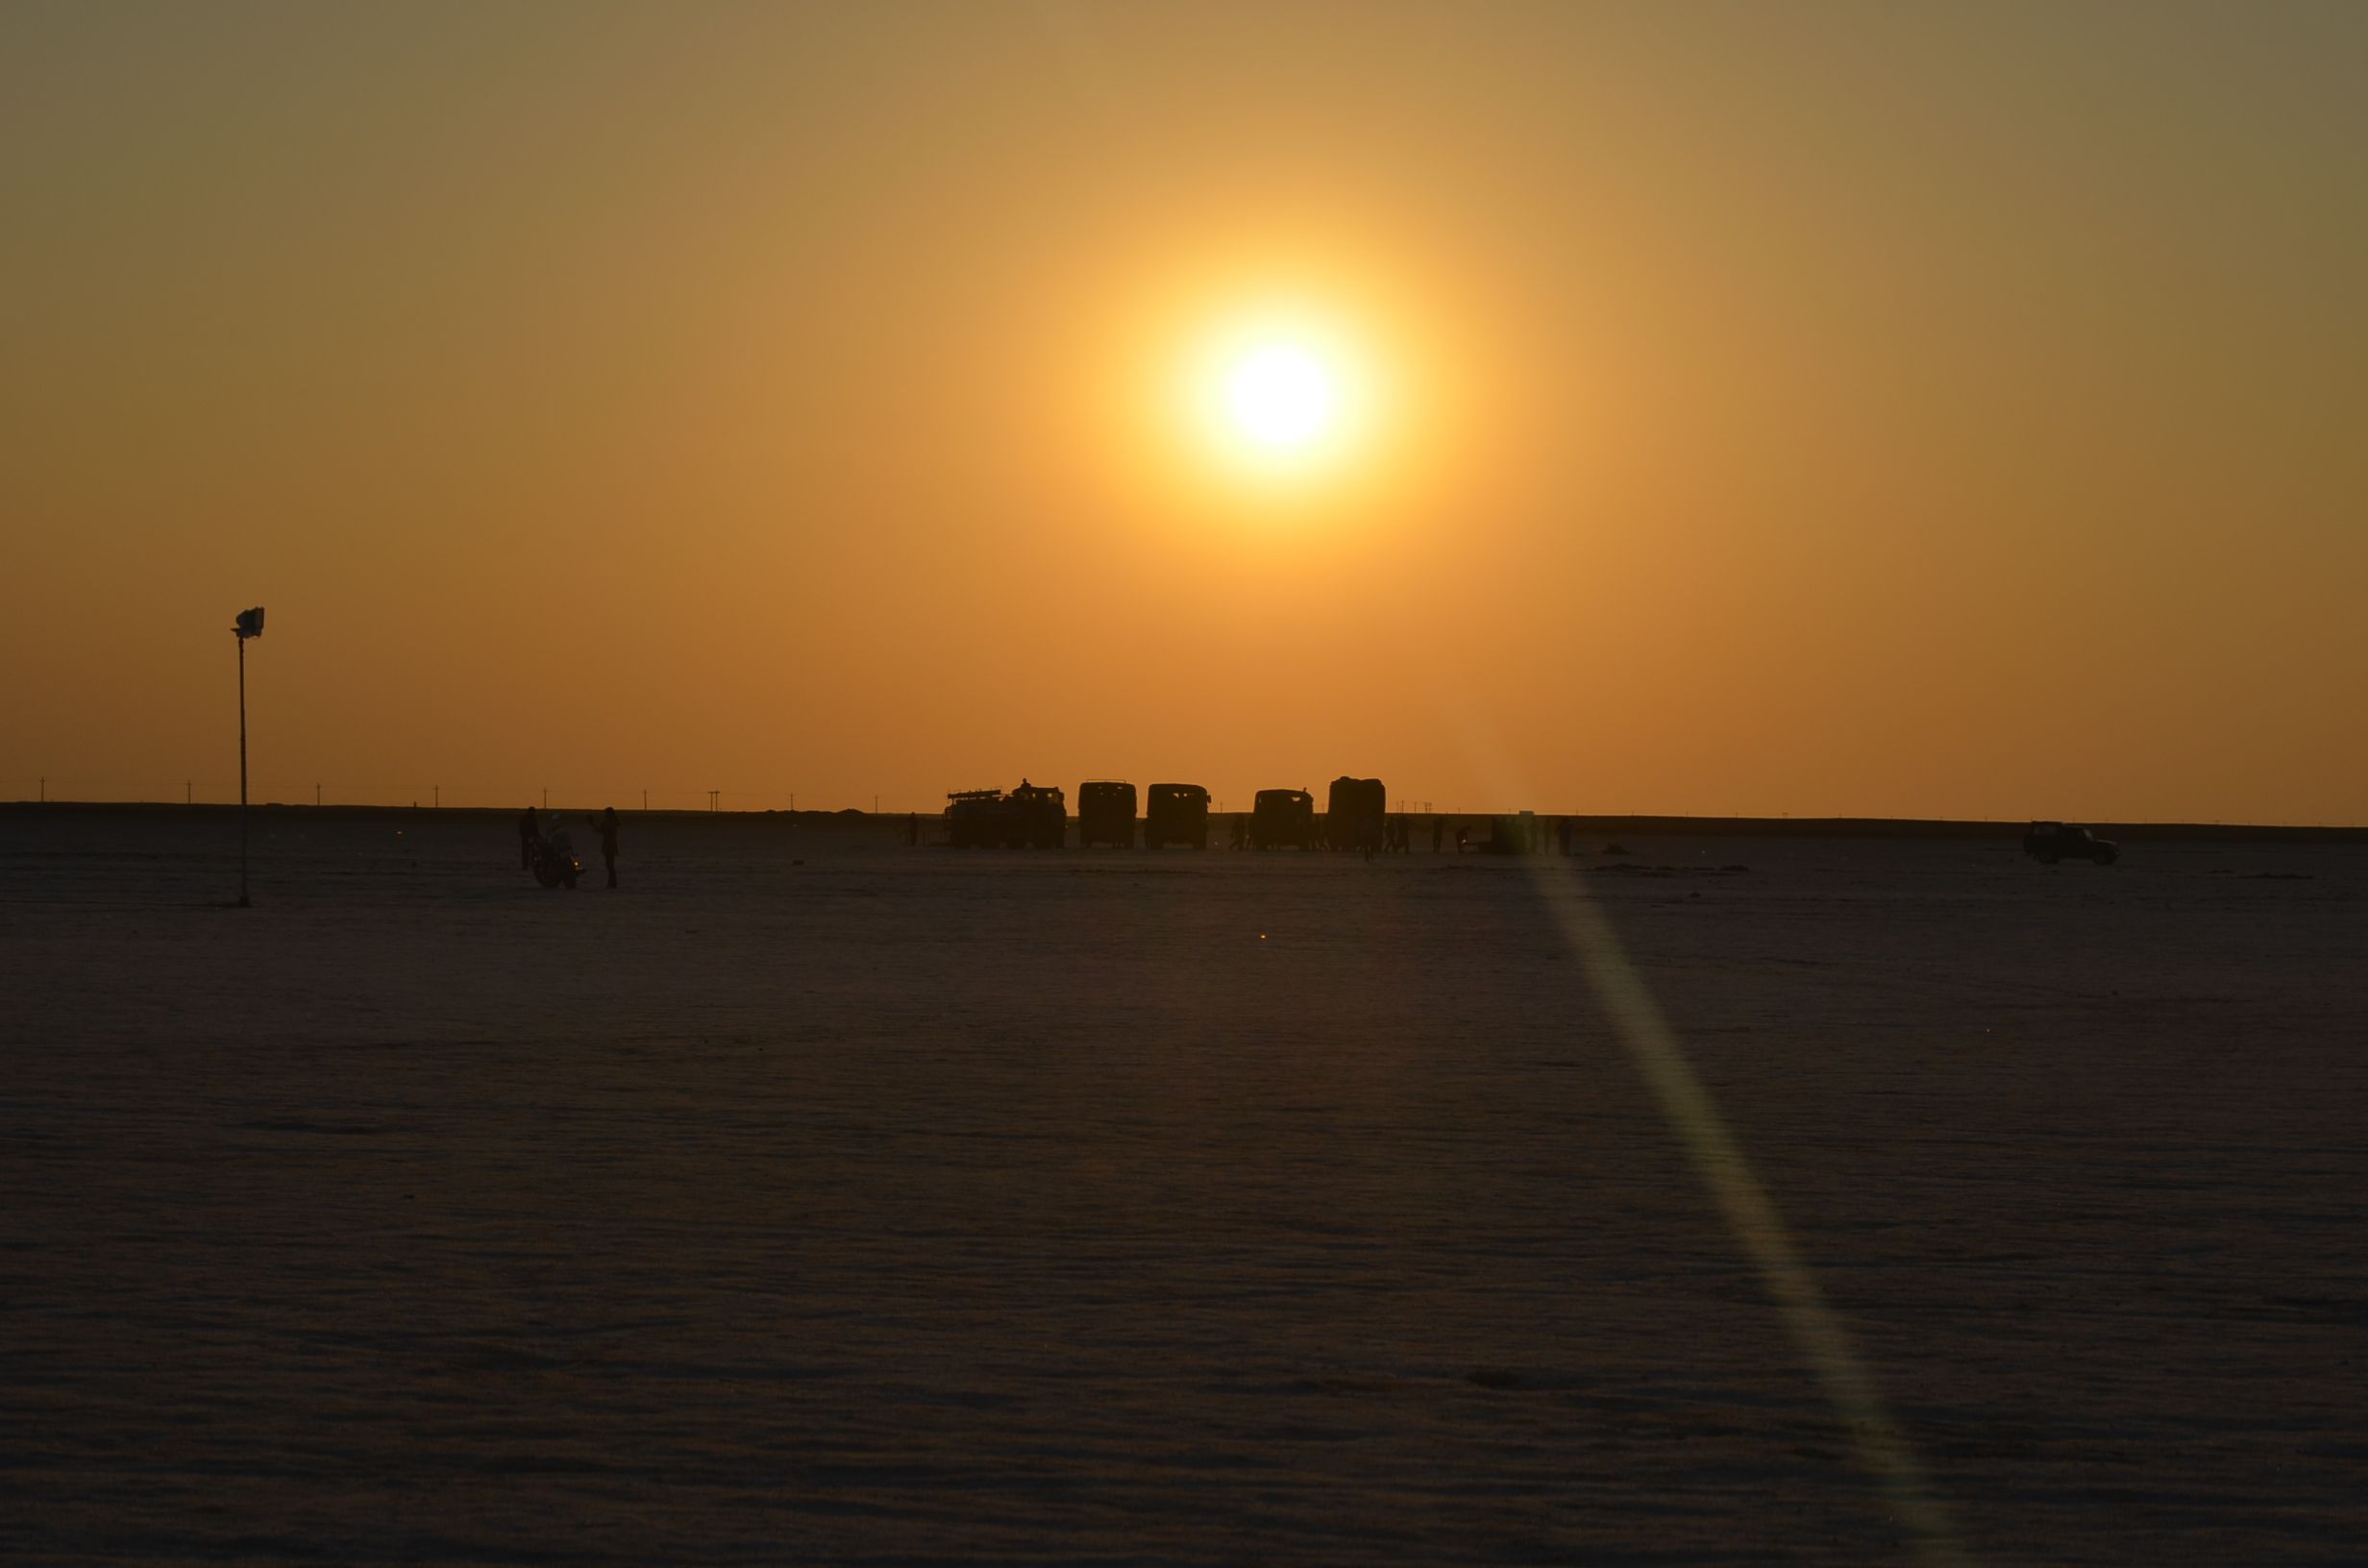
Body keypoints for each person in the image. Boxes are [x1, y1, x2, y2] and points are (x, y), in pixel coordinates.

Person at [586, 805, 620, 888]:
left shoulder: (609, 821)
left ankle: (612, 883)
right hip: (610, 844)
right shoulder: (612, 821)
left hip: (609, 845)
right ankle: (612, 882)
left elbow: (600, 830)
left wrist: (592, 823)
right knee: (610, 865)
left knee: (609, 865)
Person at [518, 804, 538, 870]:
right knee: (525, 853)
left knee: (534, 851)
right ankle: (525, 866)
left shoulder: (533, 818)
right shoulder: (524, 818)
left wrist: (537, 836)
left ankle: (531, 864)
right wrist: (525, 836)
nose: (533, 813)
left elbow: (536, 829)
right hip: (526, 838)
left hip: (532, 838)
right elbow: (521, 829)